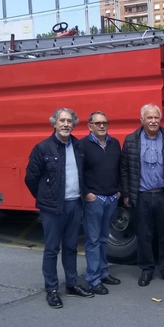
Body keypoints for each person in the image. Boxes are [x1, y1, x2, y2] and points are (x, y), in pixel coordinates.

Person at [24, 107, 94, 308]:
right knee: (52, 249)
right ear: (54, 123)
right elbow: (31, 178)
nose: (65, 124)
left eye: (69, 121)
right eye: (62, 120)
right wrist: (45, 198)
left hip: (75, 204)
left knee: (71, 247)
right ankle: (52, 289)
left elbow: (83, 174)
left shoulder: (78, 147)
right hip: (53, 208)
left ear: (74, 124)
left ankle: (71, 284)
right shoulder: (43, 148)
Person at [120, 103, 164, 287]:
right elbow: (124, 169)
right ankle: (147, 270)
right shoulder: (131, 140)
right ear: (142, 120)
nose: (153, 121)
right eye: (149, 117)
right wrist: (126, 194)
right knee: (144, 235)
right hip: (141, 196)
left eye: (156, 117)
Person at [81, 110, 122, 295]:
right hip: (94, 200)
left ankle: (104, 273)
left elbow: (120, 168)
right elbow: (77, 173)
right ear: (90, 126)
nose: (102, 126)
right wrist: (86, 194)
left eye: (104, 122)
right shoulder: (82, 145)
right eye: (97, 123)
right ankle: (93, 279)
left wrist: (119, 190)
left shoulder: (114, 144)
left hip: (112, 198)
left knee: (104, 239)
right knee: (93, 240)